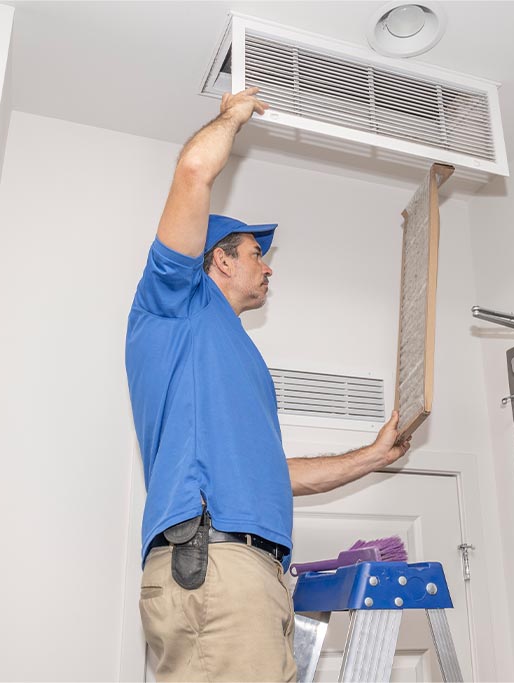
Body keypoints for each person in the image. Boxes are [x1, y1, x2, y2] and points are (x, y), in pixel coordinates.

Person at [125, 86, 411, 682]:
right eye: (257, 252)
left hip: (251, 573)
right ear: (220, 261)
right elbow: (194, 172)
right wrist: (233, 115)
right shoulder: (175, 307)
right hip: (217, 565)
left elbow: (272, 477)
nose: (268, 265)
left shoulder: (236, 356)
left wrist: (372, 457)